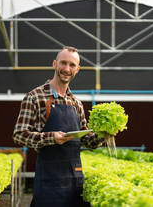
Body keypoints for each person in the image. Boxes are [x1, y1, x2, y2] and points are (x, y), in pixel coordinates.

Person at [13, 46, 104, 207]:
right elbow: (19, 134)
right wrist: (51, 138)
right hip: (49, 181)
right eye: (63, 63)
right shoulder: (35, 97)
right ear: (55, 64)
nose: (66, 69)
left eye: (72, 65)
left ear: (77, 69)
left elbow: (87, 141)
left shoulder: (76, 103)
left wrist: (103, 134)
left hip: (75, 180)